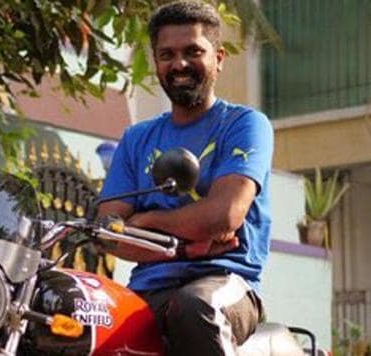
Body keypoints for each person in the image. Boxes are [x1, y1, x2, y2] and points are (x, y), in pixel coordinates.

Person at [97, 1, 274, 355]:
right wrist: (186, 244)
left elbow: (223, 216)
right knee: (78, 313)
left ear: (219, 58)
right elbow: (107, 231)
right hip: (148, 289)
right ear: (157, 63)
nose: (179, 64)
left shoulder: (244, 125)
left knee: (196, 308)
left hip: (222, 282)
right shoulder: (137, 139)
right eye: (167, 54)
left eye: (193, 51)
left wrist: (144, 220)